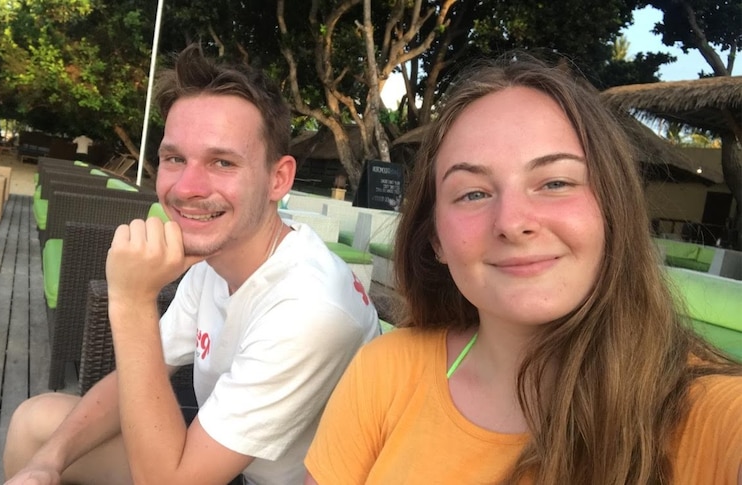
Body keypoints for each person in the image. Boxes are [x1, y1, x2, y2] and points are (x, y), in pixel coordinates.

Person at [305, 54, 742, 484]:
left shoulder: (709, 412)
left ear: (614, 210)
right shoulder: (385, 371)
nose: (512, 223)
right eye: (472, 193)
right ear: (435, 237)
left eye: (556, 183)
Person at [4, 45, 379, 485]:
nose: (187, 188)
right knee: (36, 427)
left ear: (278, 179)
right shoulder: (216, 257)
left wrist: (130, 301)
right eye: (175, 159)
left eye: (222, 162)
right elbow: (141, 375)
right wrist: (47, 463)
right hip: (217, 452)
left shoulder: (310, 309)